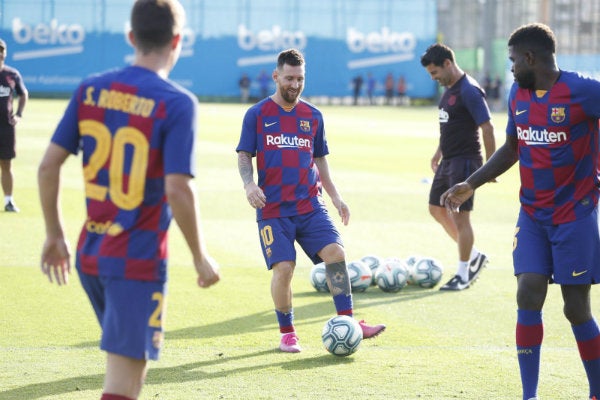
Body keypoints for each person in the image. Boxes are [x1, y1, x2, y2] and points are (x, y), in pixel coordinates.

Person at [37, 1, 220, 399]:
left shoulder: (90, 89)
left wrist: (54, 235)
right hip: (136, 259)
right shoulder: (177, 102)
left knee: (130, 373)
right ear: (178, 41)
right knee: (123, 383)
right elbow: (177, 188)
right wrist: (199, 256)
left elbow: (48, 167)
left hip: (91, 252)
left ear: (131, 37)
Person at [441, 23, 600, 400]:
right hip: (532, 215)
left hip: (575, 215)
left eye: (513, 60)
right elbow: (513, 147)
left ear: (530, 58)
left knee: (575, 308)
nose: (510, 68)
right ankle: (530, 395)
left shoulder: (584, 90)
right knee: (528, 292)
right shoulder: (519, 93)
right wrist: (472, 183)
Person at [236, 48, 385, 353]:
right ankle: (287, 333)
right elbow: (243, 155)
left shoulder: (313, 116)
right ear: (276, 76)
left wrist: (336, 197)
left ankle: (349, 321)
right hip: (273, 209)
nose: (295, 84)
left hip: (310, 205)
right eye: (289, 78)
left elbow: (320, 160)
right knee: (284, 268)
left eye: (300, 79)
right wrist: (249, 184)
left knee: (336, 254)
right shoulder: (257, 114)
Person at [420, 43, 496, 291]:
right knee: (436, 209)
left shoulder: (469, 90)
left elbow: (488, 128)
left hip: (465, 162)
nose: (433, 78)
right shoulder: (449, 89)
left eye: (434, 72)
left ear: (448, 63)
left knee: (460, 217)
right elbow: (450, 125)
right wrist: (439, 151)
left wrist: (491, 166)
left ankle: (463, 274)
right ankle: (473, 255)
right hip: (448, 160)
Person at [0, 38, 28, 212]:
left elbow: (23, 94)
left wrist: (18, 114)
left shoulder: (11, 74)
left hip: (5, 127)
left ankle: (8, 201)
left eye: (1, 51)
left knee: (6, 164)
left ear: (5, 53)